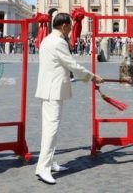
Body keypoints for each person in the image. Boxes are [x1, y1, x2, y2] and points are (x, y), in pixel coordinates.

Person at [34, 13, 103, 185]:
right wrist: (92, 76)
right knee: (51, 129)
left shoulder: (47, 39)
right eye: (70, 25)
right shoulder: (58, 42)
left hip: (49, 89)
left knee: (50, 128)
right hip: (53, 91)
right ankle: (43, 168)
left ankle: (48, 162)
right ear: (64, 25)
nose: (72, 28)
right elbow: (72, 64)